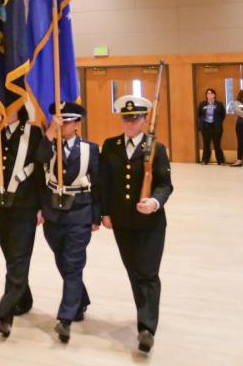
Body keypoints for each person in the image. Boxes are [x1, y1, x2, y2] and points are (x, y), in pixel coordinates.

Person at [100, 95, 173, 353]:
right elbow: (104, 183)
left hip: (151, 223)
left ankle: (147, 328)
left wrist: (154, 201)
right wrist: (104, 213)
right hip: (122, 222)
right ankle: (144, 312)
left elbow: (165, 184)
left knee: (148, 272)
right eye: (126, 118)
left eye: (135, 118)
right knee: (134, 271)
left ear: (144, 120)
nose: (130, 123)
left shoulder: (156, 148)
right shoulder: (110, 146)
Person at [36, 102, 100, 344]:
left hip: (79, 211)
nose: (64, 126)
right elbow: (38, 160)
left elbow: (98, 184)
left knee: (73, 264)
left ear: (77, 124)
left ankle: (65, 318)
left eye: (68, 122)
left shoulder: (90, 149)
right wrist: (50, 133)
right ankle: (80, 299)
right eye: (60, 121)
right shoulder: (49, 145)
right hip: (53, 213)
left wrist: (97, 216)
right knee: (62, 260)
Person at [0, 105, 43, 338]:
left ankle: (5, 316)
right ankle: (24, 298)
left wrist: (40, 207)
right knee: (11, 255)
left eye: (8, 105)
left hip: (25, 204)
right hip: (1, 204)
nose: (3, 109)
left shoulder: (33, 132)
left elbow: (41, 171)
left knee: (18, 257)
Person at [197, 88, 226, 165]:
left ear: (214, 95)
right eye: (208, 93)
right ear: (206, 95)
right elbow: (199, 115)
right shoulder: (202, 104)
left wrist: (217, 122)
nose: (209, 95)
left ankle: (220, 161)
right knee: (206, 144)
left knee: (217, 144)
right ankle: (204, 160)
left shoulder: (219, 104)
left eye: (211, 93)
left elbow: (223, 115)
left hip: (216, 127)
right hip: (206, 127)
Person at [231, 89, 243, 167]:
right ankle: (239, 160)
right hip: (241, 124)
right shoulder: (236, 103)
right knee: (241, 142)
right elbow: (239, 112)